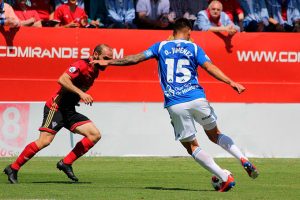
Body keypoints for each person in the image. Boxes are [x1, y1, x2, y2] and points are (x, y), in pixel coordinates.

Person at [92, 18, 259, 192]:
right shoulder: (194, 48)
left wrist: (109, 62)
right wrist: (231, 82)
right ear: (187, 30)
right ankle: (243, 158)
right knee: (215, 134)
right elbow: (210, 67)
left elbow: (136, 58)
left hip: (176, 102)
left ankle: (224, 177)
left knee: (191, 146)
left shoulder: (161, 46)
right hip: (197, 98)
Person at [3, 44, 113, 184]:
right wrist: (81, 94)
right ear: (96, 54)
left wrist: (77, 97)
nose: (107, 62)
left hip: (69, 110)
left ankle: (66, 163)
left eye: (110, 59)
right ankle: (13, 167)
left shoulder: (96, 69)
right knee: (44, 141)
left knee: (94, 135)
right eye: (105, 58)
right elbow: (62, 79)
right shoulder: (82, 64)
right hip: (56, 108)